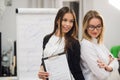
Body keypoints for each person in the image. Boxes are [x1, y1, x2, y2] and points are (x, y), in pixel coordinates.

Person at [38, 7, 85, 80]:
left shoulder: (74, 43)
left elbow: (77, 70)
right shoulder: (47, 39)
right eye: (65, 20)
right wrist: (41, 71)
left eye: (71, 21)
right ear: (57, 20)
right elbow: (44, 61)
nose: (68, 24)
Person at [80, 10, 120, 80]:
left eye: (98, 26)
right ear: (85, 27)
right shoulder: (86, 45)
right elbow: (101, 75)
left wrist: (109, 67)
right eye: (91, 27)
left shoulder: (98, 42)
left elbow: (115, 61)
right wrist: (109, 63)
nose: (95, 30)